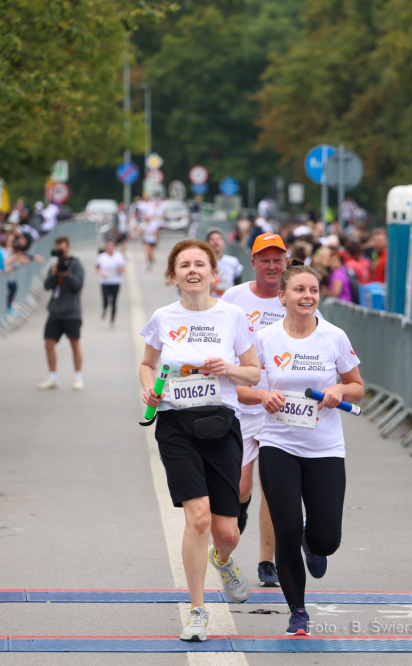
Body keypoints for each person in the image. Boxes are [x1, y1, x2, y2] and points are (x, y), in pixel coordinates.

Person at [139, 239, 261, 642]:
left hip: (222, 425)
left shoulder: (232, 316)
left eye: (200, 264)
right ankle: (196, 610)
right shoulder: (163, 316)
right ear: (172, 275)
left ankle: (222, 560)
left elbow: (254, 374)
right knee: (200, 518)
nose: (193, 271)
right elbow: (147, 364)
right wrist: (149, 390)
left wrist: (227, 368)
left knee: (227, 533)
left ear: (214, 273)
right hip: (175, 425)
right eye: (184, 265)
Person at [240, 264, 364, 636]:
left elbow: (357, 386)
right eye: (299, 290)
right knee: (287, 529)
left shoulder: (333, 337)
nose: (307, 296)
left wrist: (339, 392)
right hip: (278, 443)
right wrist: (263, 395)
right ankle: (298, 611)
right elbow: (242, 389)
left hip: (325, 447)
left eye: (313, 290)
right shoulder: (264, 338)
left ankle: (315, 539)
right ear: (283, 297)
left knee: (327, 539)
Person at [220, 234, 300, 589]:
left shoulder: (297, 297)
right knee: (241, 485)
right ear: (253, 262)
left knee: (275, 487)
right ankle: (236, 518)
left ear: (286, 262)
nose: (272, 266)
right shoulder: (234, 297)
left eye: (277, 260)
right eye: (264, 260)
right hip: (241, 405)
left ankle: (267, 561)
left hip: (283, 411)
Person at [38, 237, 85, 391]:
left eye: (62, 249)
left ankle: (78, 377)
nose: (60, 252)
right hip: (55, 310)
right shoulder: (55, 265)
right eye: (58, 249)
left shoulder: (76, 265)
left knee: (74, 344)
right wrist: (53, 274)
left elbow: (78, 285)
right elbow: (46, 286)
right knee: (48, 344)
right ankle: (53, 377)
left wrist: (67, 275)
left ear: (68, 248)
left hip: (72, 312)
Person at [95, 240, 126, 326]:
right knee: (105, 300)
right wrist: (101, 273)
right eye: (108, 247)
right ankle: (104, 309)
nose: (109, 249)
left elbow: (123, 268)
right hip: (105, 282)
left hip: (115, 282)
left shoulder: (119, 257)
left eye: (111, 247)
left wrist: (118, 270)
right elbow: (97, 267)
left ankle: (112, 320)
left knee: (114, 302)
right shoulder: (101, 257)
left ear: (114, 248)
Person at [206, 229, 243, 298]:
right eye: (212, 239)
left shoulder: (233, 261)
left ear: (224, 243)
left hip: (228, 303)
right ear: (207, 244)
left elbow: (238, 284)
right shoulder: (202, 263)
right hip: (210, 304)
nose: (216, 242)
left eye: (219, 239)